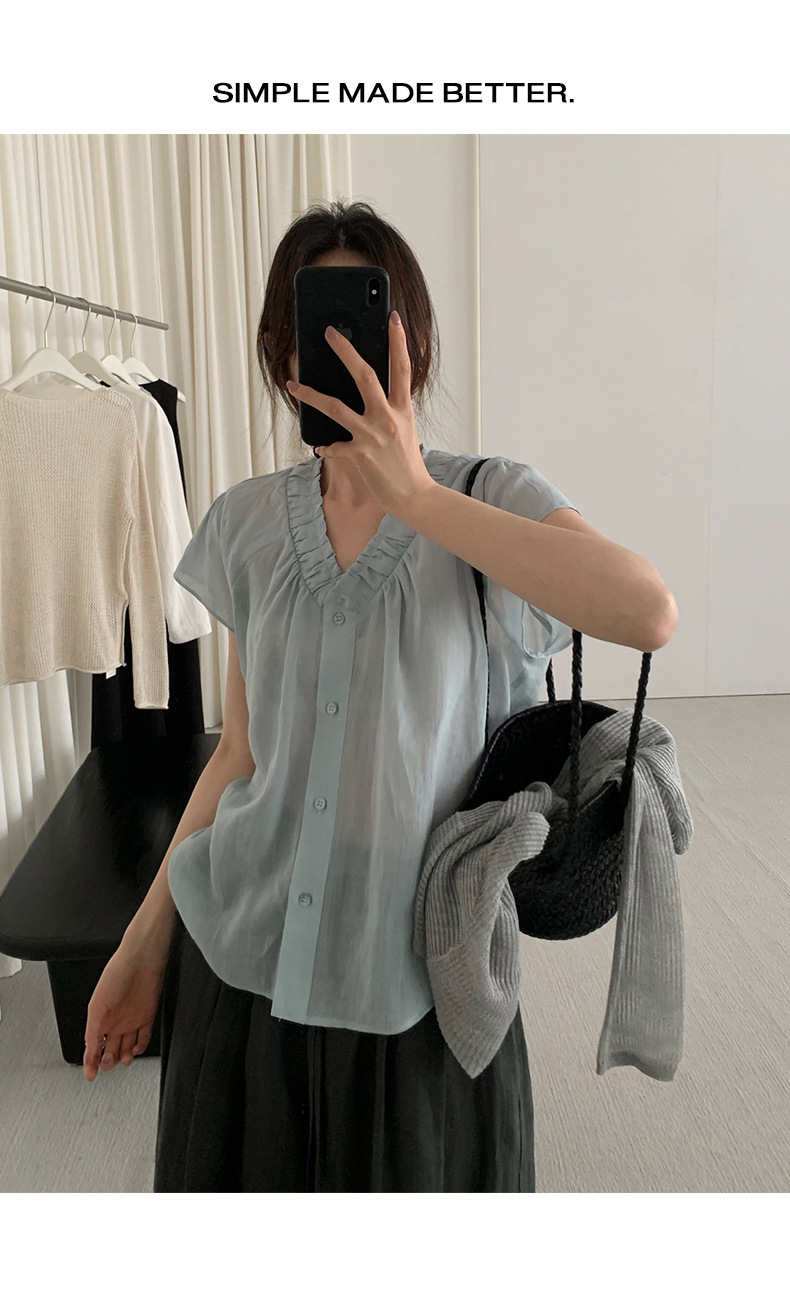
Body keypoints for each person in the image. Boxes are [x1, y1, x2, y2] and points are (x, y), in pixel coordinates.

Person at [82, 199, 676, 1192]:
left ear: (417, 343)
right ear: (280, 358)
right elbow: (240, 755)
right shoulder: (244, 523)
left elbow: (646, 609)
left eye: (364, 321)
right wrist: (144, 943)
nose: (337, 351)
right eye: (308, 329)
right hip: (244, 967)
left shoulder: (492, 495)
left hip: (421, 981)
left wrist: (418, 499)